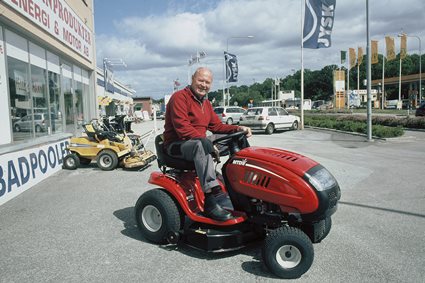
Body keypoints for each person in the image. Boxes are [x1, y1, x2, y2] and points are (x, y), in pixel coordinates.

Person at [163, 67, 252, 221]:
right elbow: (183, 129)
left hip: (198, 141)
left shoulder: (206, 103)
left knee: (237, 138)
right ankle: (210, 198)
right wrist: (208, 143)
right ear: (192, 79)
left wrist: (238, 128)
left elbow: (217, 127)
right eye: (200, 80)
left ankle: (242, 182)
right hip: (177, 144)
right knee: (201, 145)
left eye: (207, 82)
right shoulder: (179, 98)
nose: (204, 85)